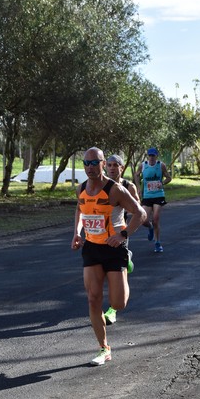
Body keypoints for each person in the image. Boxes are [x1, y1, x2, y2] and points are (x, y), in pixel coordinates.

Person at [71, 147, 146, 366]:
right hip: (92, 248)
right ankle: (104, 348)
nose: (90, 167)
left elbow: (140, 214)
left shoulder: (115, 190)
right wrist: (76, 233)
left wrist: (123, 235)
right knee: (93, 298)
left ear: (103, 164)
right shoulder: (81, 188)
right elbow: (80, 209)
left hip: (114, 249)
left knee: (118, 303)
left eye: (95, 163)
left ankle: (127, 262)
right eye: (86, 163)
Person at [103, 153, 153, 326]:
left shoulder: (128, 186)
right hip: (102, 234)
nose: (111, 168)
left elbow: (137, 210)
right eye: (108, 165)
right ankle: (128, 257)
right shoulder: (102, 185)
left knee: (116, 272)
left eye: (115, 165)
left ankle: (112, 310)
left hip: (121, 232)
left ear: (121, 167)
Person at [135, 147, 171, 253]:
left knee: (155, 219)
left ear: (156, 156)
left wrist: (162, 183)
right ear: (147, 156)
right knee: (143, 220)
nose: (151, 157)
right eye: (149, 155)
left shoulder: (161, 165)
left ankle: (157, 243)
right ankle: (150, 227)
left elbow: (168, 177)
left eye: (153, 155)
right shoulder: (143, 165)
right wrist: (138, 187)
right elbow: (137, 175)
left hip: (158, 195)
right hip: (147, 196)